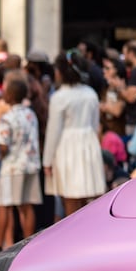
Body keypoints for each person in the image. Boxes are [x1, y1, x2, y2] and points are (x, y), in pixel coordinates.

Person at [0, 71, 42, 255]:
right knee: (27, 205)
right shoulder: (30, 114)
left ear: (10, 95)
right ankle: (28, 245)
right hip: (30, 164)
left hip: (12, 166)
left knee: (5, 205)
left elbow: (3, 145)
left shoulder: (7, 117)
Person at [43, 52, 106, 217]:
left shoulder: (59, 97)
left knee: (70, 196)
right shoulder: (90, 93)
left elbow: (53, 131)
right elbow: (95, 124)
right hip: (88, 142)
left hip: (67, 146)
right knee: (87, 194)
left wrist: (47, 160)